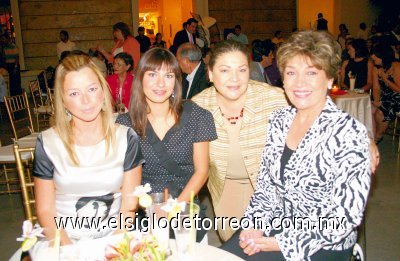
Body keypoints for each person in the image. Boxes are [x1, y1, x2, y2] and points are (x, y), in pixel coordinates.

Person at [221, 30, 371, 261]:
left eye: (311, 73)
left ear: (330, 78)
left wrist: (281, 242)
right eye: (291, 72)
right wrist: (253, 225)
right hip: (277, 224)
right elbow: (266, 187)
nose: (299, 83)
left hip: (323, 242)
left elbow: (344, 218)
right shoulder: (280, 121)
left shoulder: (348, 133)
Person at [31, 53, 144, 257]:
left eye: (92, 89)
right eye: (74, 93)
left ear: (102, 92)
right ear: (63, 100)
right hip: (61, 239)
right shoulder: (48, 143)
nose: (86, 100)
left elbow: (129, 205)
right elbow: (45, 211)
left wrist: (114, 249)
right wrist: (69, 251)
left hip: (115, 236)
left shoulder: (126, 138)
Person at [116, 48, 217, 242]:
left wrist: (174, 208)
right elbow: (123, 180)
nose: (160, 83)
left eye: (168, 75)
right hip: (143, 214)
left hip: (185, 210)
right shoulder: (125, 124)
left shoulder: (196, 115)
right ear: (140, 79)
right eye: (152, 74)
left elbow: (202, 171)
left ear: (177, 81)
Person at [192, 40, 289, 241]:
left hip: (270, 190)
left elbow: (317, 113)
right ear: (210, 74)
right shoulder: (198, 107)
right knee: (237, 247)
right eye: (225, 70)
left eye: (242, 70)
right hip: (227, 189)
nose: (234, 79)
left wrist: (364, 138)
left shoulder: (273, 98)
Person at [371, 43, 400, 143]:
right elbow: (376, 88)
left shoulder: (396, 66)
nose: (372, 57)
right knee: (369, 108)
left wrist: (386, 80)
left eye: (375, 55)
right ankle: (371, 136)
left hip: (397, 97)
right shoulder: (376, 68)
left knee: (380, 113)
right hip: (386, 96)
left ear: (383, 56)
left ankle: (377, 137)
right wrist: (376, 100)